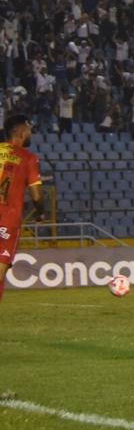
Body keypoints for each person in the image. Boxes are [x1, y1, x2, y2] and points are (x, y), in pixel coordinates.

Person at [0, 115, 46, 303]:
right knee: (1, 266)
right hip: (7, 219)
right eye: (28, 129)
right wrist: (40, 211)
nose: (31, 132)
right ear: (20, 132)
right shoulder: (28, 158)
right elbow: (36, 194)